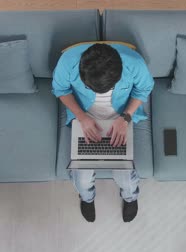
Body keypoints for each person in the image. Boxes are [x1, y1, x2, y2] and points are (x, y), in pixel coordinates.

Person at [52, 43, 154, 222]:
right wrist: (82, 117)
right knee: (82, 179)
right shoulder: (67, 61)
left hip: (121, 116)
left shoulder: (134, 63)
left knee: (126, 178)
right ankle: (87, 198)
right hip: (84, 116)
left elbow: (144, 89)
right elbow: (61, 90)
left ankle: (130, 197)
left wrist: (126, 117)